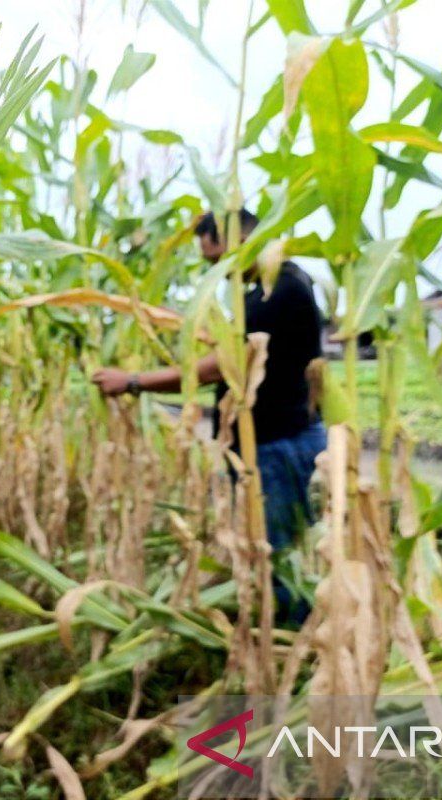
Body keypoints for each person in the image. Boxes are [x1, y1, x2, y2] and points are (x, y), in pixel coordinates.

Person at [92, 209, 326, 622]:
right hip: (267, 446)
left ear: (240, 240)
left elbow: (220, 365)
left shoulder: (282, 287)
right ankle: (276, 629)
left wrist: (132, 381)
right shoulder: (262, 292)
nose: (217, 271)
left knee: (280, 557)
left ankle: (291, 645)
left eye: (217, 259)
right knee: (267, 548)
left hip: (278, 446)